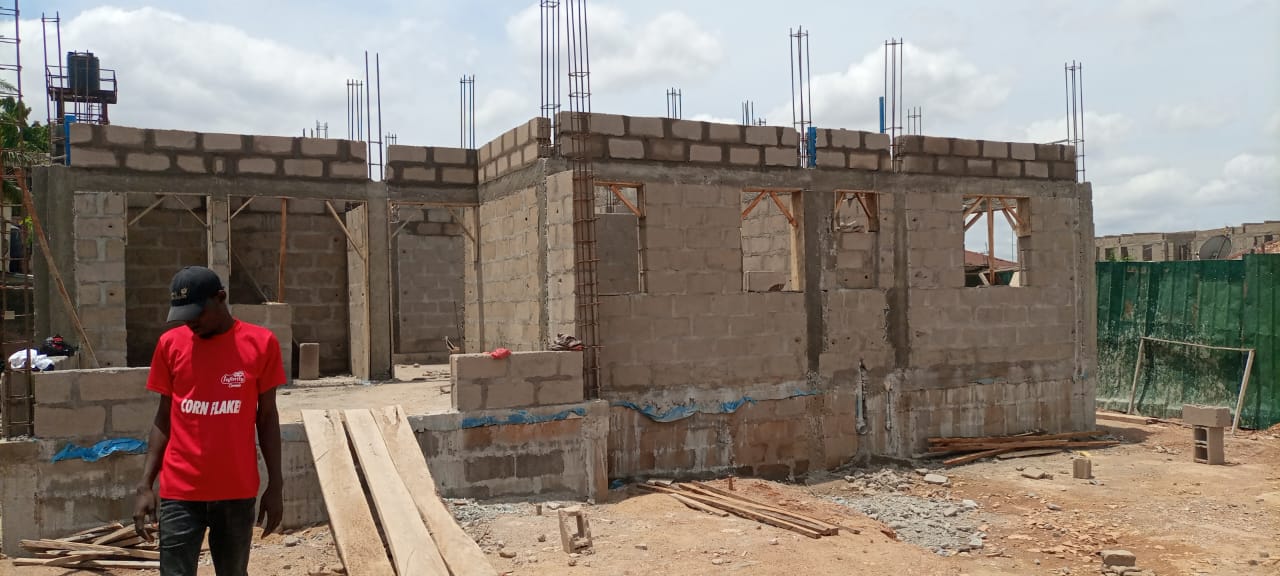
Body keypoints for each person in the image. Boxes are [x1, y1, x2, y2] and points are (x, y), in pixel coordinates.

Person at [133, 266, 285, 576]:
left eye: (197, 313)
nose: (190, 322)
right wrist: (145, 484)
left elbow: (267, 417)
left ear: (221, 298)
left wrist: (276, 484)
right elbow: (163, 417)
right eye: (183, 315)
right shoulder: (170, 345)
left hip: (236, 490)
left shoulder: (261, 343)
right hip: (180, 492)